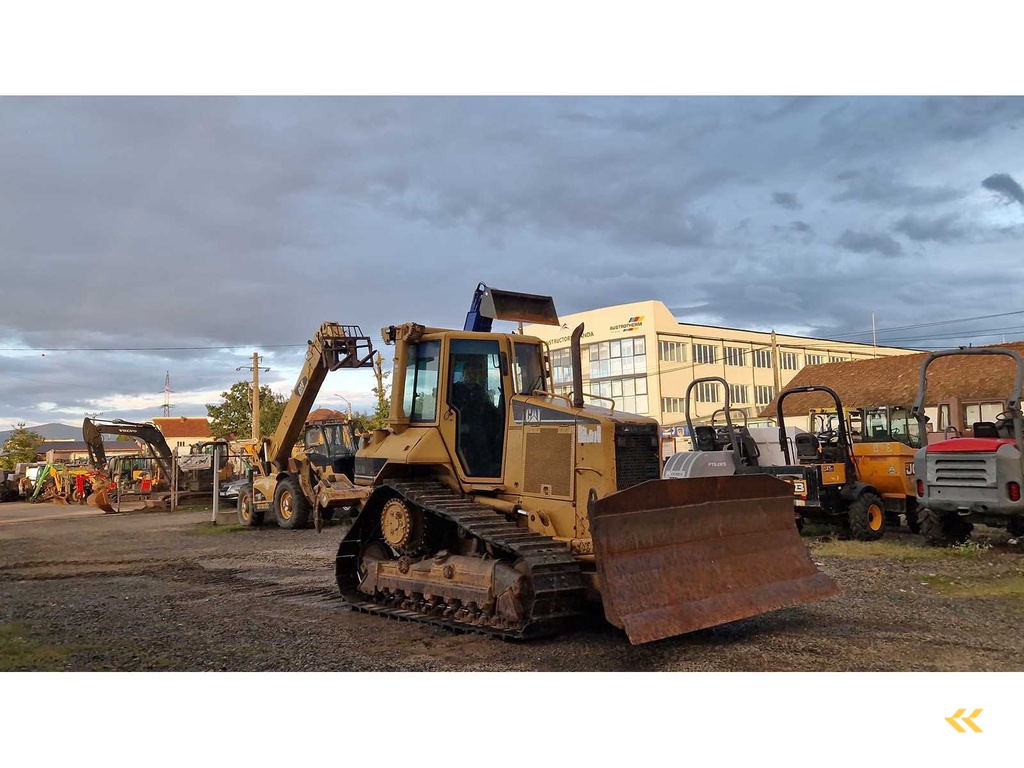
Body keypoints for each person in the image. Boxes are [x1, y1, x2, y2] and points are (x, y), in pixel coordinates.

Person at [450, 356, 503, 475]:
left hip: (476, 424)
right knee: (479, 435)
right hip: (458, 424)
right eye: (469, 371)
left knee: (494, 429)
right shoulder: (456, 389)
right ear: (464, 373)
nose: (472, 374)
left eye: (474, 372)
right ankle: (485, 467)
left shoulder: (479, 390)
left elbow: (488, 407)